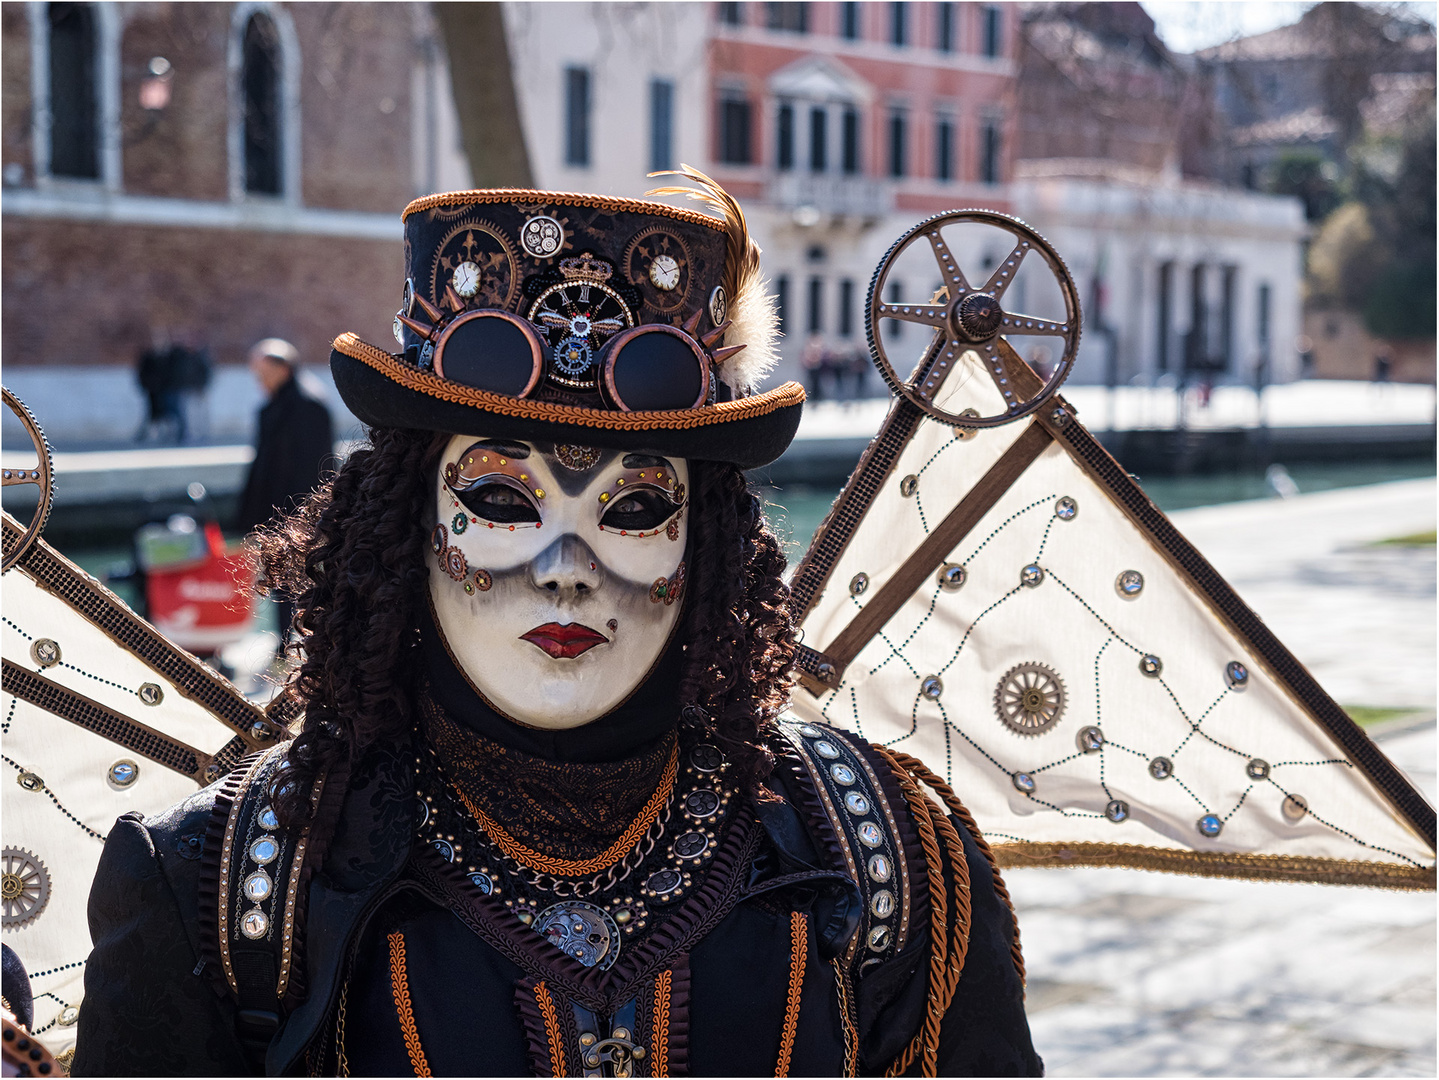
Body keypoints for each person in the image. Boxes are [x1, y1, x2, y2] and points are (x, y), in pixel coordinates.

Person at [73, 176, 1039, 1076]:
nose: (566, 573)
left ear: (700, 547)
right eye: (501, 501)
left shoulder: (881, 856)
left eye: (630, 513)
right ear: (408, 527)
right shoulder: (217, 887)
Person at [236, 338, 335, 652]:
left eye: (263, 373)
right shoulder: (274, 406)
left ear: (283, 368)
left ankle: (306, 644)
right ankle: (282, 644)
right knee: (277, 579)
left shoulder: (308, 405)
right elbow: (263, 464)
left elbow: (316, 469)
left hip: (299, 514)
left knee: (304, 580)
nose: (259, 381)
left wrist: (303, 516)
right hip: (276, 512)